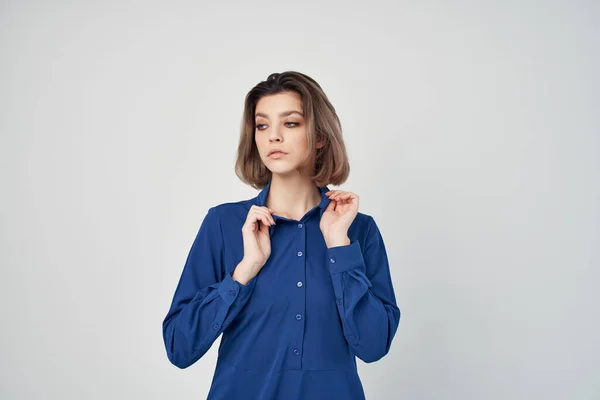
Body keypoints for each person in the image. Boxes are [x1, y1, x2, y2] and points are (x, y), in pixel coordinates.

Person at [162, 71, 401, 399]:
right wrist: (243, 272)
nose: (273, 136)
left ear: (319, 136)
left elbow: (373, 346)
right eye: (262, 125)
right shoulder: (224, 223)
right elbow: (179, 347)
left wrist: (338, 246)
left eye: (290, 123)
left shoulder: (358, 229)